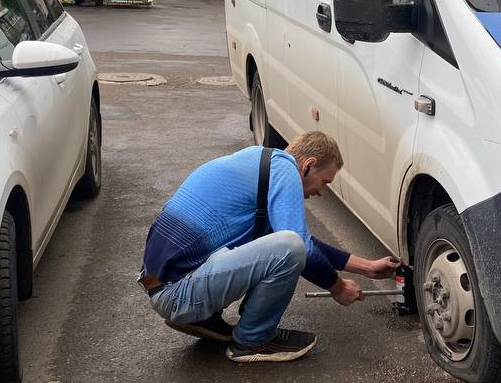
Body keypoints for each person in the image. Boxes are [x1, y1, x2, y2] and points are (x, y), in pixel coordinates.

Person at [139, 132, 400, 362]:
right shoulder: (285, 169)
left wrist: (366, 268)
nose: (321, 192)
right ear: (308, 166)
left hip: (165, 284)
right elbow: (300, 248)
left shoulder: (261, 163)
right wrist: (338, 287)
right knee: (291, 247)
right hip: (177, 293)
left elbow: (298, 243)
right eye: (325, 182)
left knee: (287, 245)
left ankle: (201, 317)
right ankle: (253, 340)